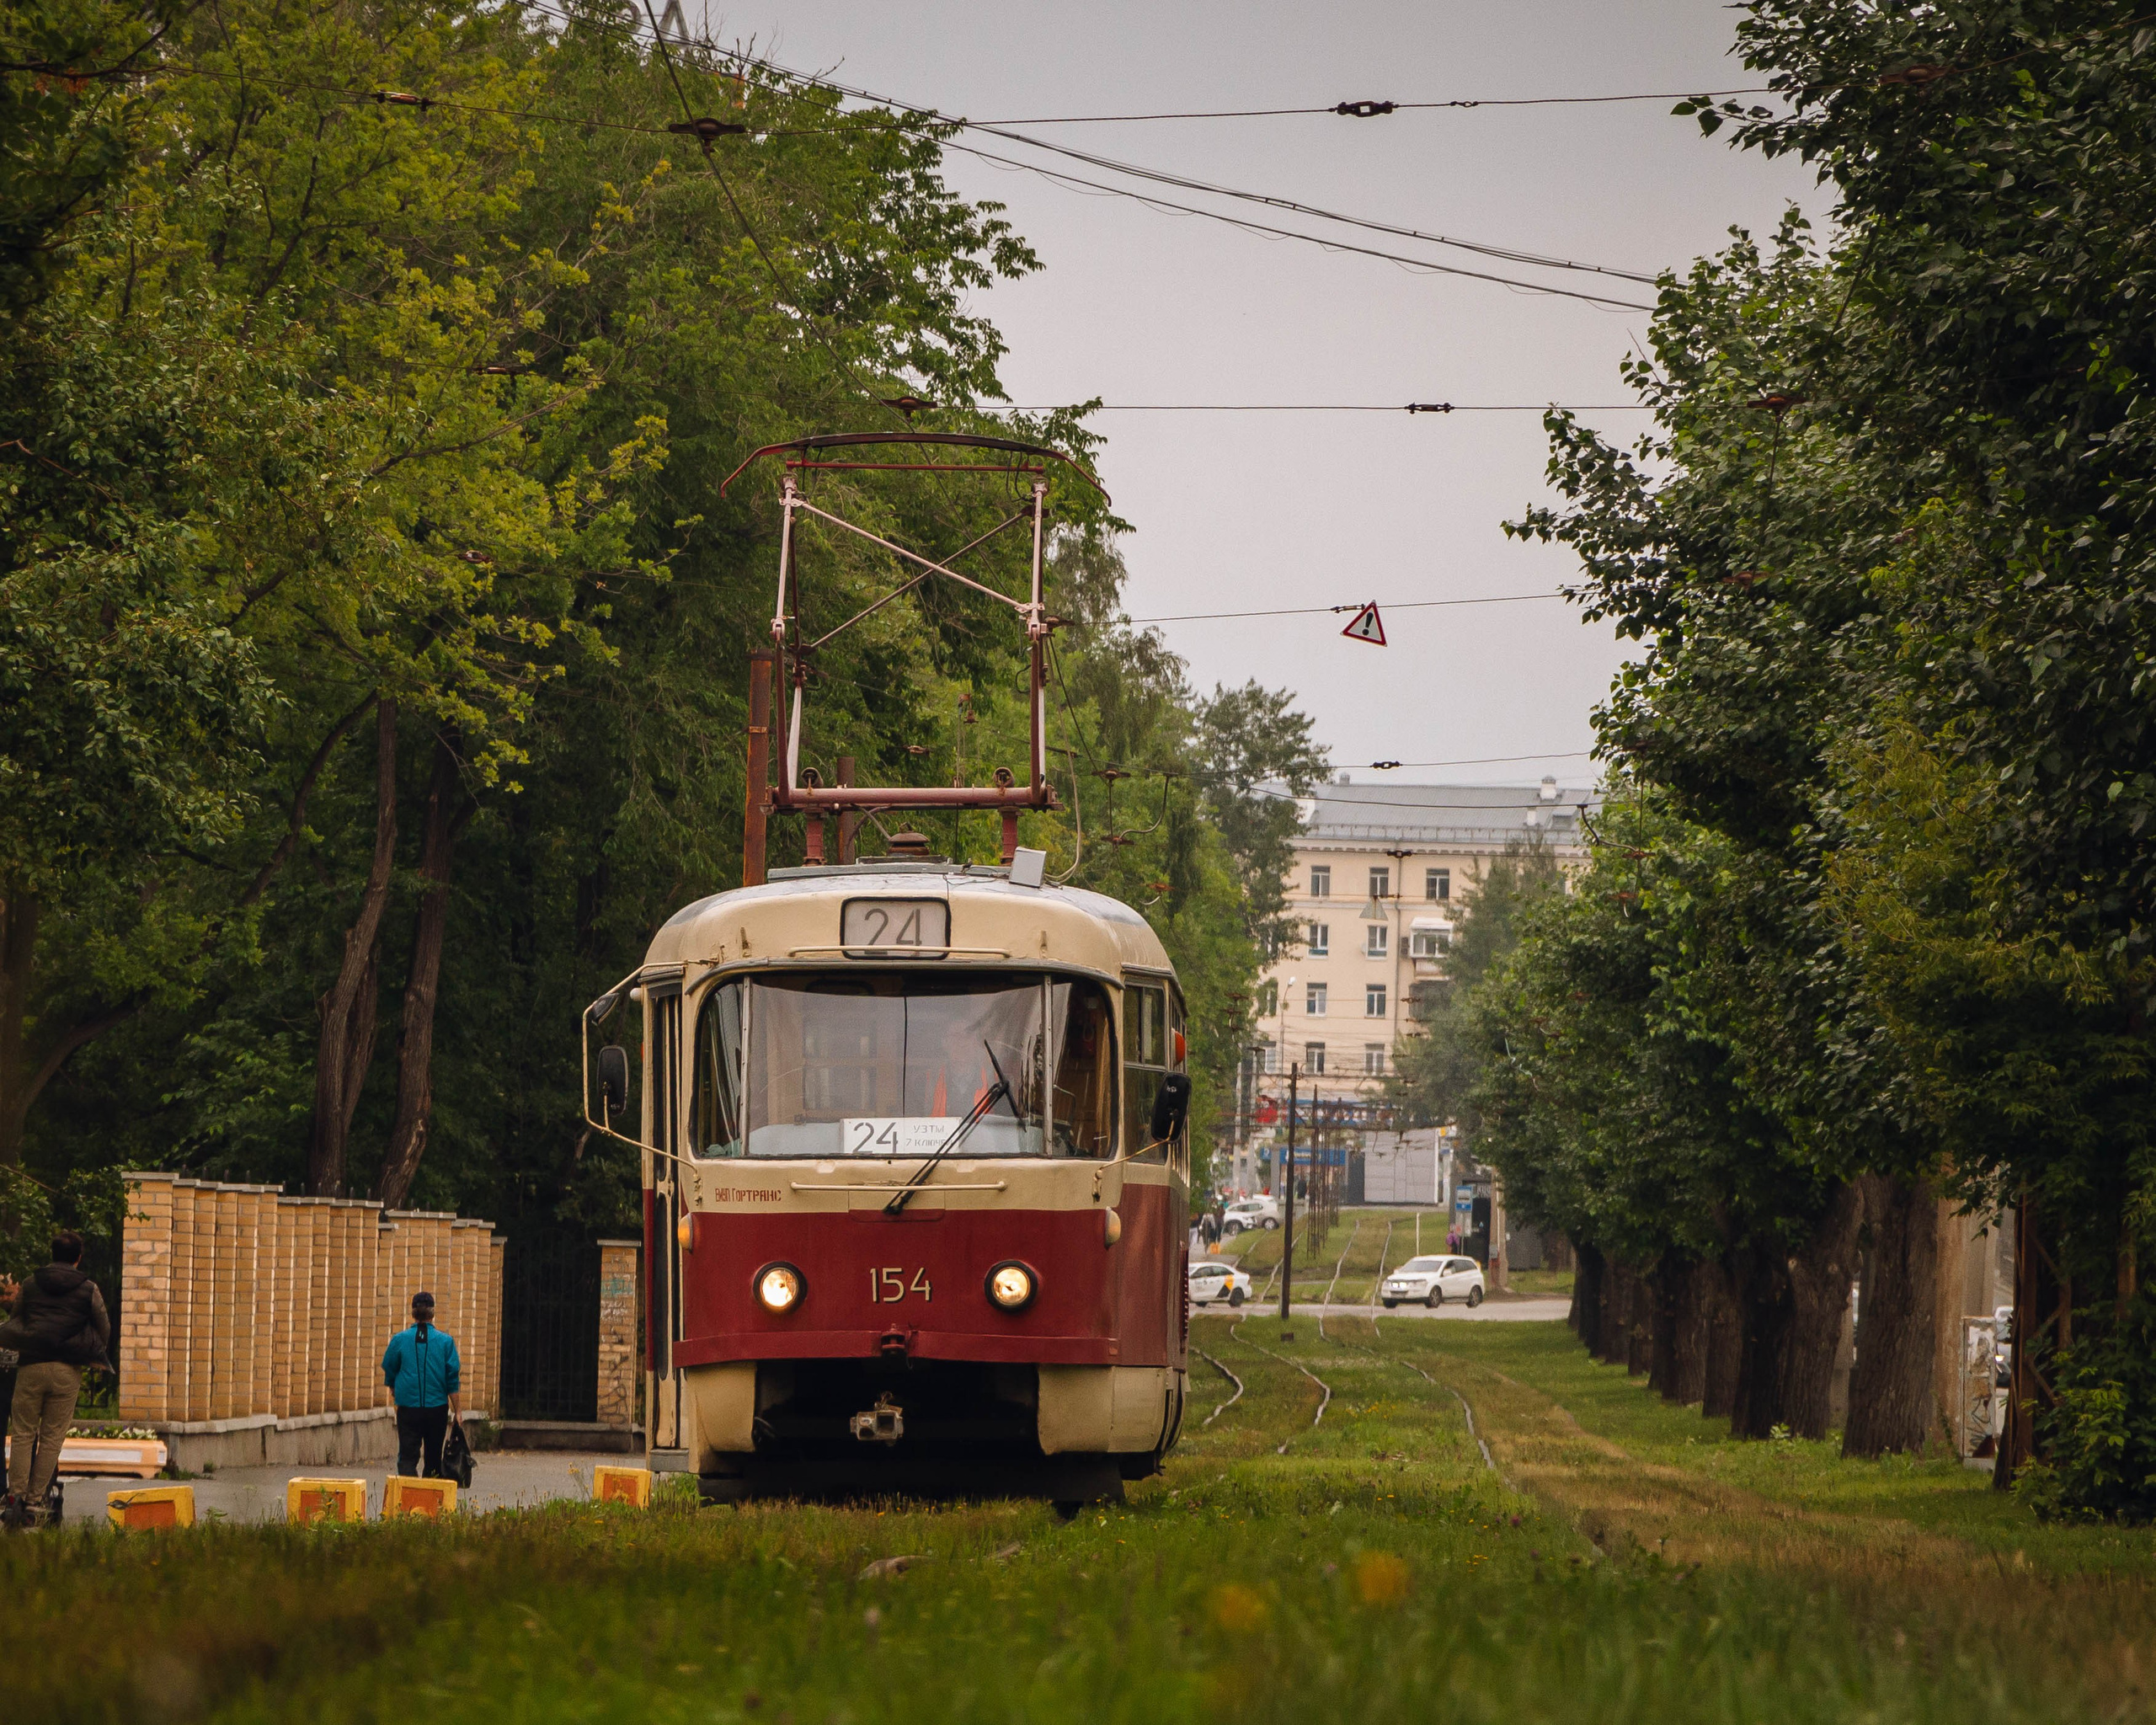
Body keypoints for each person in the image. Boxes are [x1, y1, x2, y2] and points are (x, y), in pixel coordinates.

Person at [3, 1231, 111, 1524]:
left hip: (31, 1367)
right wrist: (88, 1352)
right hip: (66, 1371)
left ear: (52, 1254)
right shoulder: (89, 1288)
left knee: (24, 1433)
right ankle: (36, 1502)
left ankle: (15, 1497)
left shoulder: (30, 1283)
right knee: (52, 1437)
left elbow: (17, 1320)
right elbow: (103, 1327)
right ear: (78, 1257)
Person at [382, 1290, 462, 1478]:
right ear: (432, 1313)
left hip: (408, 1407)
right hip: (436, 1408)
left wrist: (394, 1387)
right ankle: (430, 1502)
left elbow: (390, 1367)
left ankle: (407, 1499)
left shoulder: (399, 1340)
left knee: (407, 1456)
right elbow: (452, 1379)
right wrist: (457, 1410)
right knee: (433, 1458)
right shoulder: (445, 1342)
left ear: (413, 1313)